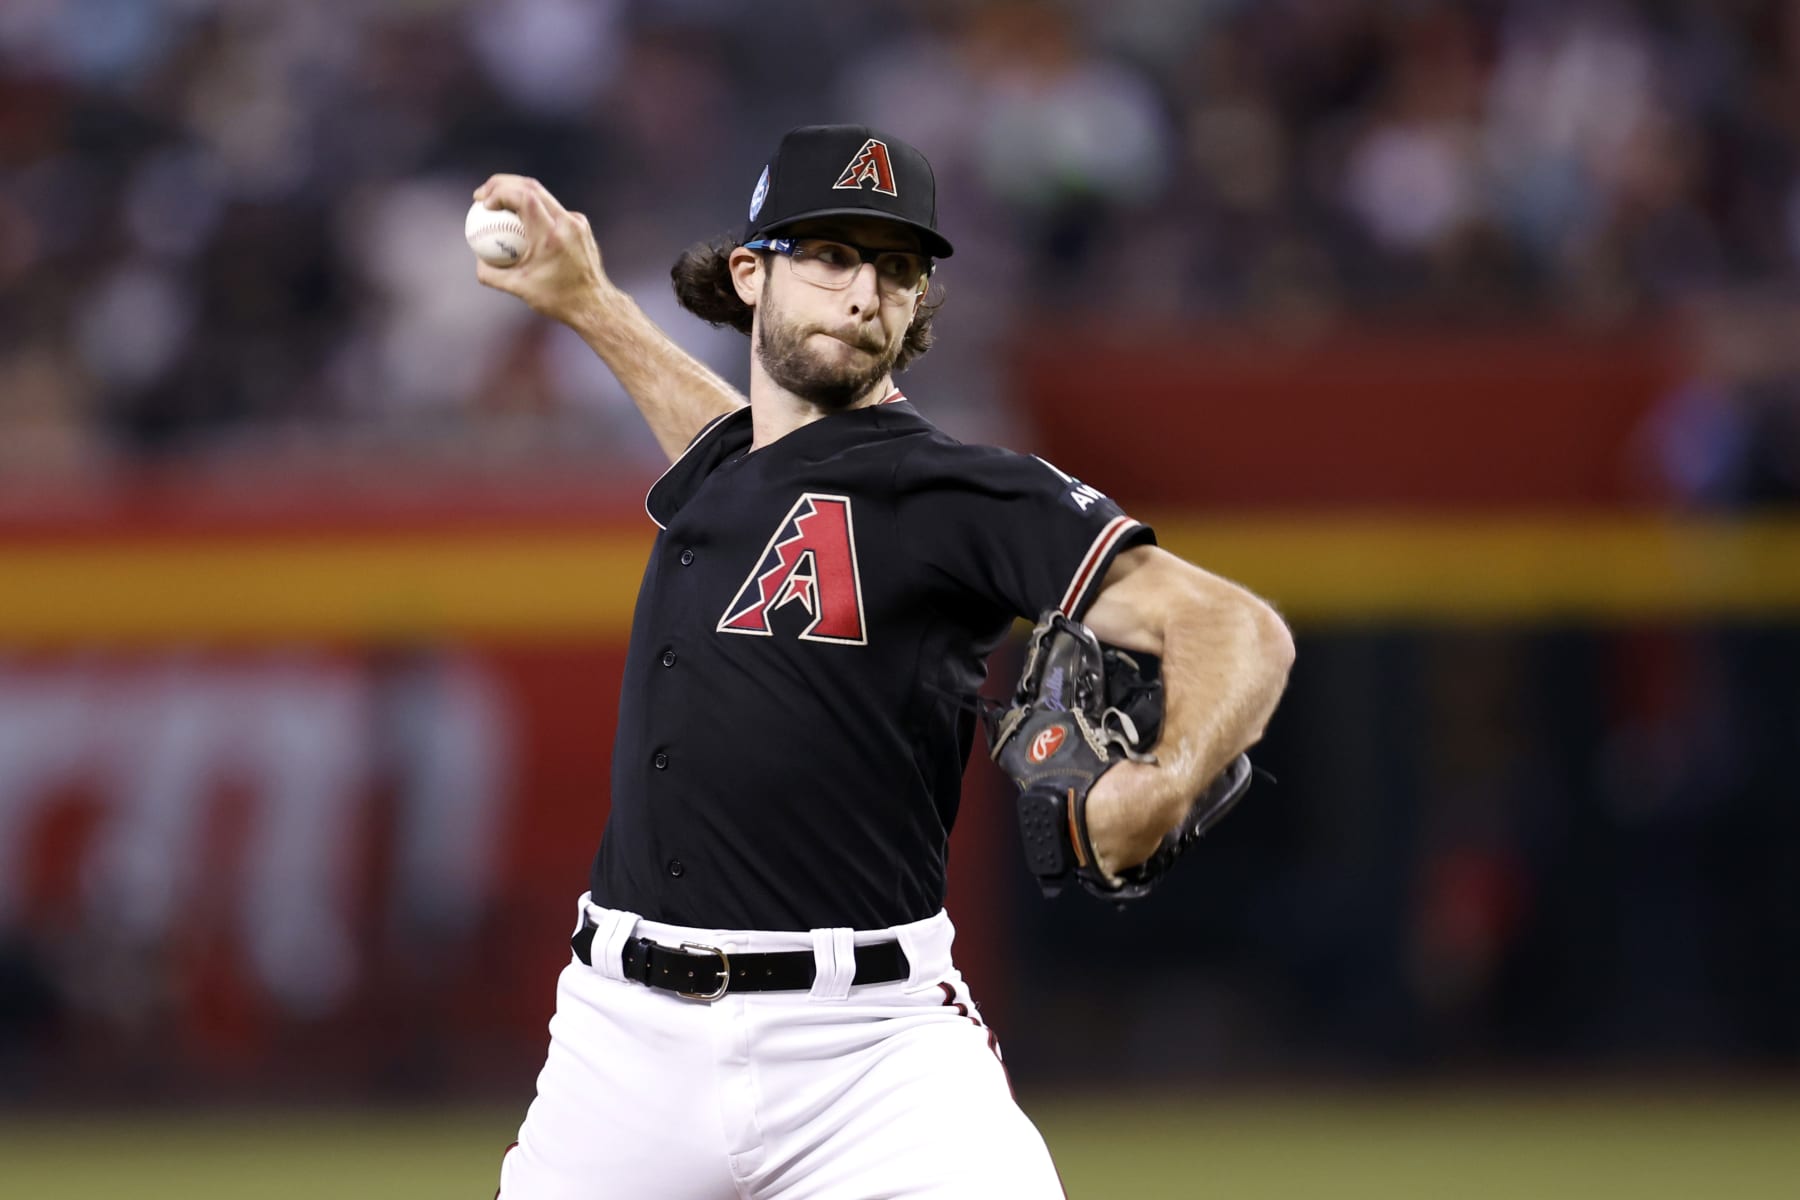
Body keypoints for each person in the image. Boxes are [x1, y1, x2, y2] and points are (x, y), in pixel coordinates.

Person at [474, 124, 1294, 1199]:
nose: (863, 290)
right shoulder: (738, 469)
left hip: (869, 1051)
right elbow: (742, 446)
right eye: (831, 254)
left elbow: (1237, 627)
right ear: (750, 273)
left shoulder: (949, 491)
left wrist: (1168, 776)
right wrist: (588, 304)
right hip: (620, 1041)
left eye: (897, 267)